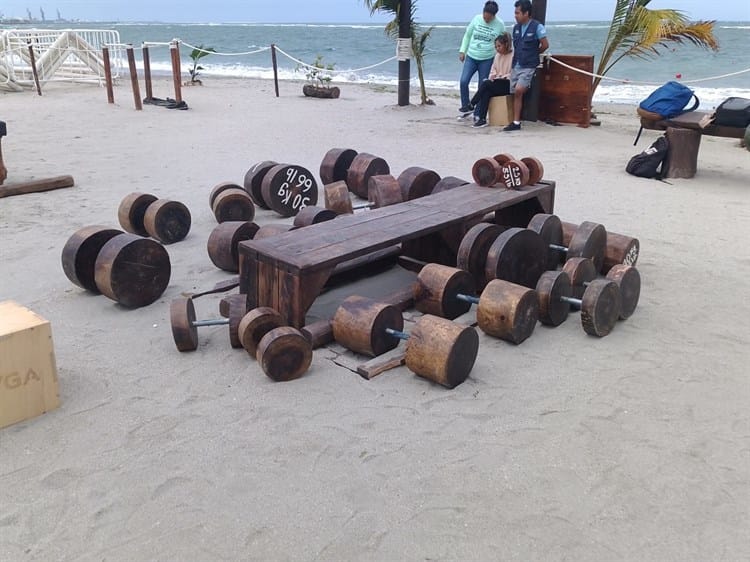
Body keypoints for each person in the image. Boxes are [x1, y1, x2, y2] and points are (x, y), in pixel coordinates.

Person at [503, 0, 548, 132]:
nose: (515, 15)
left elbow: (545, 45)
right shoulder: (516, 28)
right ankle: (516, 121)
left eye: (517, 13)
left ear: (526, 13)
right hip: (516, 64)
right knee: (514, 93)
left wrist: (534, 54)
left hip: (528, 66)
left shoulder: (537, 27)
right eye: (515, 13)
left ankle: (517, 120)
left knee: (518, 90)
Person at [458, 1, 506, 121]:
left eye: (489, 18)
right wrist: (462, 50)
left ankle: (478, 113)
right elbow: (467, 35)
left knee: (482, 86)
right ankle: (466, 107)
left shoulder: (500, 25)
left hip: (487, 59)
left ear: (494, 16)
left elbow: (505, 41)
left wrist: (502, 58)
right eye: (485, 17)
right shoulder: (476, 19)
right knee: (464, 81)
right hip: (472, 56)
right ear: (483, 12)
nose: (486, 20)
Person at [469, 33, 513, 128]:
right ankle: (482, 119)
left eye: (499, 46)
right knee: (486, 92)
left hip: (508, 83)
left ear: (505, 45)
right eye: (496, 46)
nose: (497, 48)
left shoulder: (513, 55)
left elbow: (513, 72)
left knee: (485, 84)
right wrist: (493, 77)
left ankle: (472, 104)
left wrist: (503, 76)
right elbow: (493, 71)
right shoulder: (497, 56)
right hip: (498, 82)